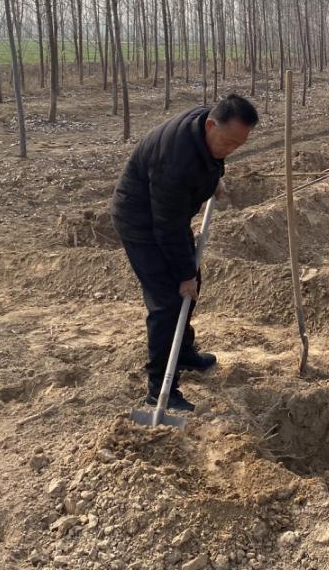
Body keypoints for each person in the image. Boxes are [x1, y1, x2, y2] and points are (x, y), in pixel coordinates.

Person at [111, 94, 259, 412]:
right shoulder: (175, 161)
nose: (231, 150)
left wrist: (212, 180)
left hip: (165, 217)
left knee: (192, 281)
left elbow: (210, 158)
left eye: (238, 145)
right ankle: (159, 387)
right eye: (229, 142)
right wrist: (183, 276)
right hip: (142, 222)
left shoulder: (205, 128)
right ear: (211, 125)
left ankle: (183, 351)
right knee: (167, 300)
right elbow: (167, 226)